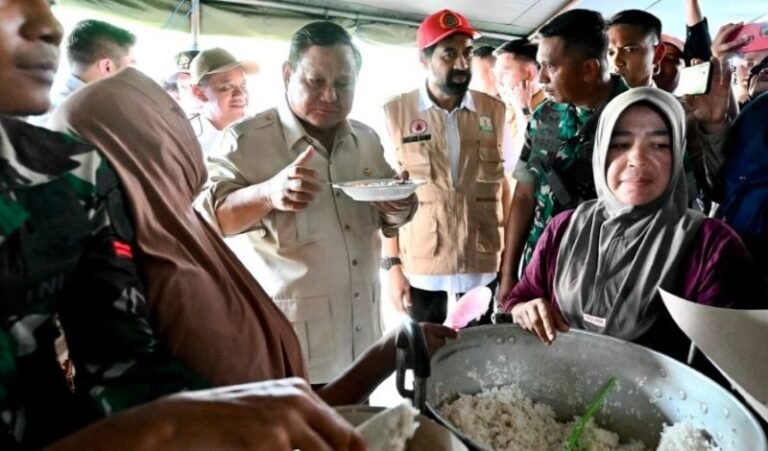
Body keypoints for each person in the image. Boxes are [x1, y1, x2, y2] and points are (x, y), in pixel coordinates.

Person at [198, 22, 417, 384]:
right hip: (291, 352)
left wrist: (398, 207)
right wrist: (267, 194)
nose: (330, 96)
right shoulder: (246, 141)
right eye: (315, 81)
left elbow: (389, 216)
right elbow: (206, 221)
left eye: (343, 84)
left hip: (364, 341)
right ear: (288, 74)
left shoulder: (366, 140)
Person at [502, 87, 758, 364]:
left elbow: (729, 363)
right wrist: (525, 310)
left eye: (660, 145)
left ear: (678, 155)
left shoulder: (712, 247)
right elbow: (523, 298)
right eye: (620, 144)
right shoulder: (563, 229)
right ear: (600, 151)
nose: (637, 159)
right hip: (557, 396)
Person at [382, 9, 511, 324]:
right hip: (423, 270)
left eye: (467, 54)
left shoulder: (494, 112)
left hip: (482, 268)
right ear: (424, 61)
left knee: (480, 362)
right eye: (449, 54)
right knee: (427, 365)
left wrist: (509, 264)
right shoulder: (396, 114)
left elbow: (503, 189)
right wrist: (392, 265)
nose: (461, 64)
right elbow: (386, 198)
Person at [498, 9, 629, 302]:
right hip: (541, 275)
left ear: (589, 69)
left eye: (551, 67)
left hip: (607, 281)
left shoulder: (639, 119)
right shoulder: (545, 115)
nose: (541, 78)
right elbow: (524, 196)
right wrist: (508, 276)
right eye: (540, 66)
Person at [29, 19, 136, 127]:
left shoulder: (47, 107)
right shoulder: (91, 117)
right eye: (130, 63)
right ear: (107, 67)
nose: (134, 72)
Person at [189, 47, 259, 156]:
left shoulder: (259, 131)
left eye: (243, 85)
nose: (241, 94)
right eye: (227, 86)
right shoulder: (186, 140)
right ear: (199, 93)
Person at [493, 39, 547, 159]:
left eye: (505, 74)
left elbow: (533, 160)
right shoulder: (505, 112)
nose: (498, 83)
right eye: (496, 75)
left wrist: (523, 109)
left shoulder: (556, 109)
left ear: (530, 73)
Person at [607, 9, 665, 88]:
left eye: (630, 50)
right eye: (611, 52)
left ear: (658, 54)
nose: (616, 61)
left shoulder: (667, 100)